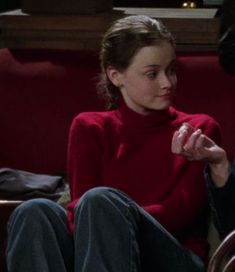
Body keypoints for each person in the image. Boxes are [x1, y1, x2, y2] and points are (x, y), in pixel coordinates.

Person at [6, 15, 221, 272]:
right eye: (152, 73)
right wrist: (107, 221)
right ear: (116, 75)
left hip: (173, 255)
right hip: (101, 242)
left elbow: (180, 214)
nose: (167, 83)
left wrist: (114, 216)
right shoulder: (90, 127)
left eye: (171, 70)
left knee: (100, 201)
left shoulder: (199, 128)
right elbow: (78, 210)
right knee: (34, 211)